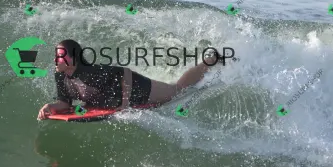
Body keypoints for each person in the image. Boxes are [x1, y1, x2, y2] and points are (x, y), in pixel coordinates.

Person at [37, 39, 232, 120]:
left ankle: (211, 60)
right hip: (121, 98)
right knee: (169, 98)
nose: (56, 60)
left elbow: (125, 72)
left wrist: (125, 103)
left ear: (73, 58)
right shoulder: (61, 75)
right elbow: (65, 102)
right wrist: (50, 107)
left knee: (177, 90)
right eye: (56, 55)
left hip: (138, 88)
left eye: (61, 56)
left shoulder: (91, 72)